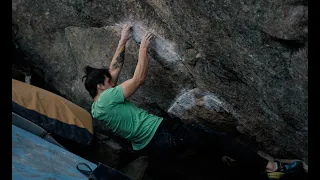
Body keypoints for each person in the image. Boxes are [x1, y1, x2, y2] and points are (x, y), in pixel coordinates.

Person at [82, 24, 303, 179]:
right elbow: (138, 79)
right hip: (165, 132)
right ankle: (273, 167)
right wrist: (142, 50)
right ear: (101, 86)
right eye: (107, 82)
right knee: (220, 141)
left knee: (202, 161)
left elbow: (112, 71)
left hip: (151, 148)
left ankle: (237, 167)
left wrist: (123, 39)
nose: (112, 82)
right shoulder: (109, 96)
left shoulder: (98, 107)